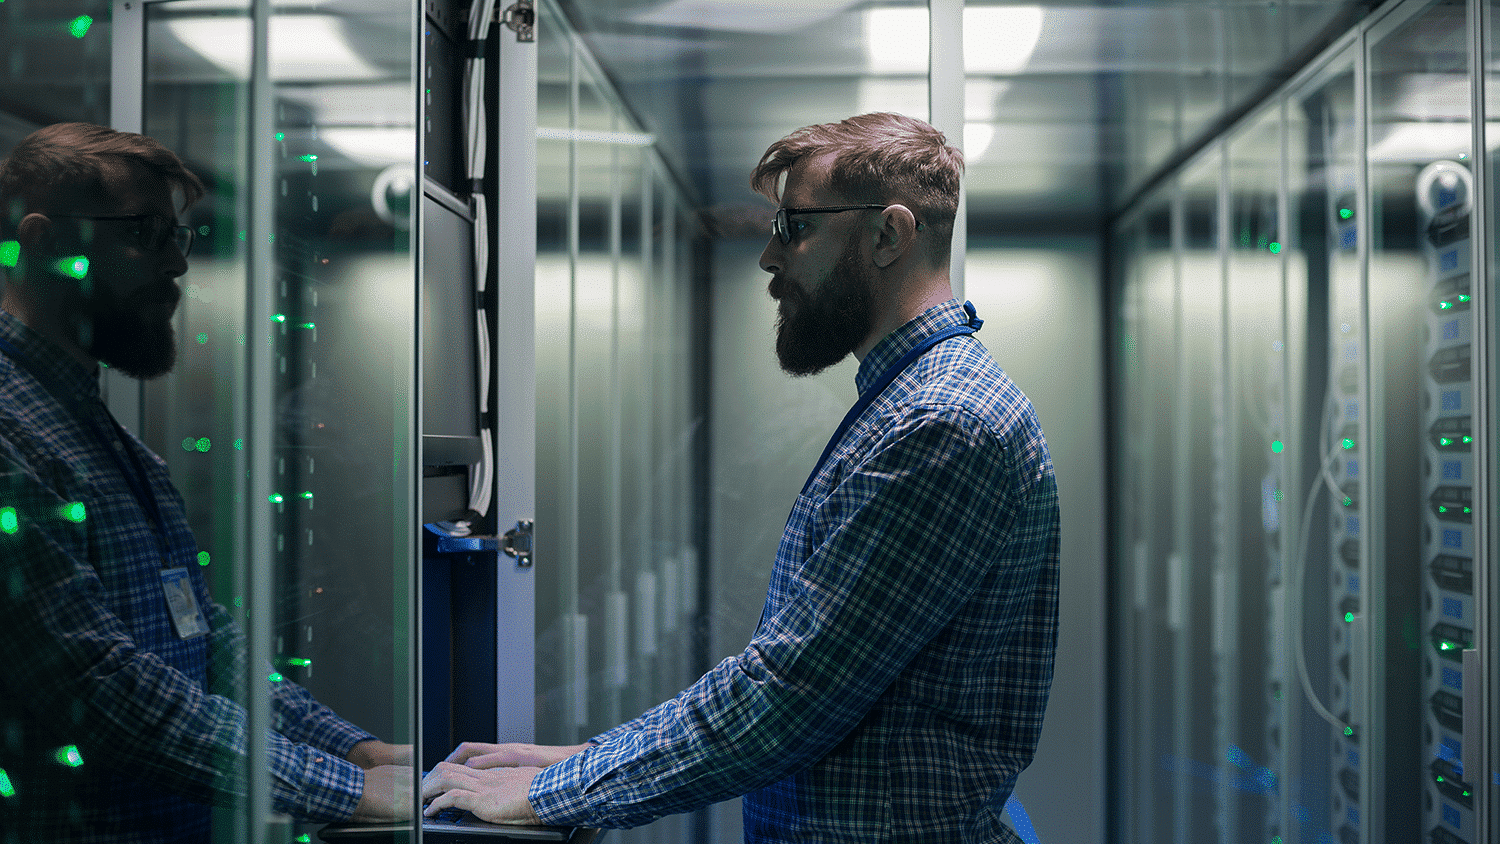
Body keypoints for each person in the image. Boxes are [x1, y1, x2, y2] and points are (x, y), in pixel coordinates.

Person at [422, 112, 1060, 843]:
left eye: (793, 226)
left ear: (890, 235)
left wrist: (563, 790)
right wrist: (585, 759)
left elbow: (788, 697)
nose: (767, 256)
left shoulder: (941, 424)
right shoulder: (915, 402)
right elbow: (787, 681)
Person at [0, 122, 412, 843]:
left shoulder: (107, 440)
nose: (176, 266)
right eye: (144, 233)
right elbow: (97, 686)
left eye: (177, 236)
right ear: (41, 242)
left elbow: (200, 643)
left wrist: (353, 748)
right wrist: (345, 788)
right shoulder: (11, 433)